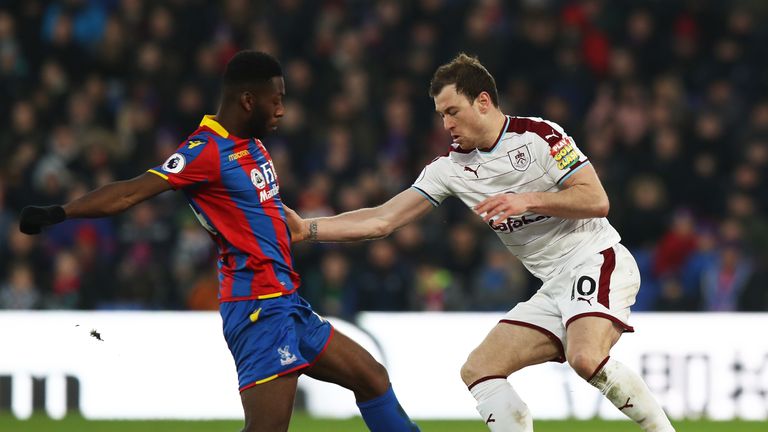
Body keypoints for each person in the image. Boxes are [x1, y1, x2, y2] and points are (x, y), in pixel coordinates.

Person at [19, 50, 419, 432]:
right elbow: (130, 192)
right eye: (275, 100)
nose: (282, 109)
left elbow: (264, 219)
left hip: (286, 302)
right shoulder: (204, 151)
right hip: (256, 309)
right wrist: (61, 212)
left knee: (372, 378)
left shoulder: (255, 146)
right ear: (248, 100)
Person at [286, 53, 675, 432]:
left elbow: (597, 201)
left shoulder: (541, 136)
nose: (446, 123)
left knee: (585, 357)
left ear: (483, 102)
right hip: (554, 286)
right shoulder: (450, 170)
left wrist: (528, 198)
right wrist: (309, 228)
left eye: (452, 111)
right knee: (480, 370)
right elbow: (382, 219)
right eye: (441, 115)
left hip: (596, 259)